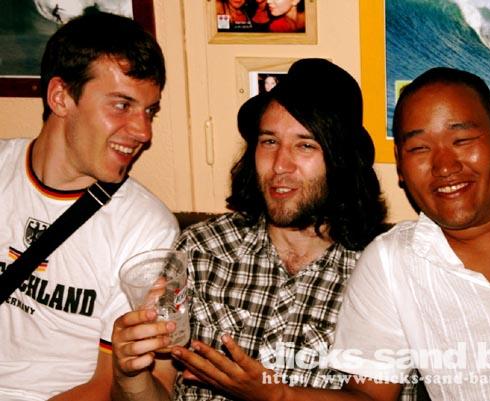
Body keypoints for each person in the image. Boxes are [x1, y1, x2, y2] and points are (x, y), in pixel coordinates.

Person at [110, 59, 421, 401]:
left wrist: (273, 395)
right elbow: (159, 390)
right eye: (269, 142)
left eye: (305, 145)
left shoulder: (379, 272)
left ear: (341, 162)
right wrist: (129, 373)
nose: (279, 165)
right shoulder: (202, 249)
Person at [326, 67, 490, 399]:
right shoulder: (390, 264)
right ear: (400, 163)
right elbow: (370, 396)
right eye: (419, 149)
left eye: (462, 140)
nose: (444, 166)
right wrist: (276, 396)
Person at [0, 11, 179, 401]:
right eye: (122, 105)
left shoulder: (144, 227)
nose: (143, 131)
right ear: (61, 97)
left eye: (149, 111)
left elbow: (106, 386)